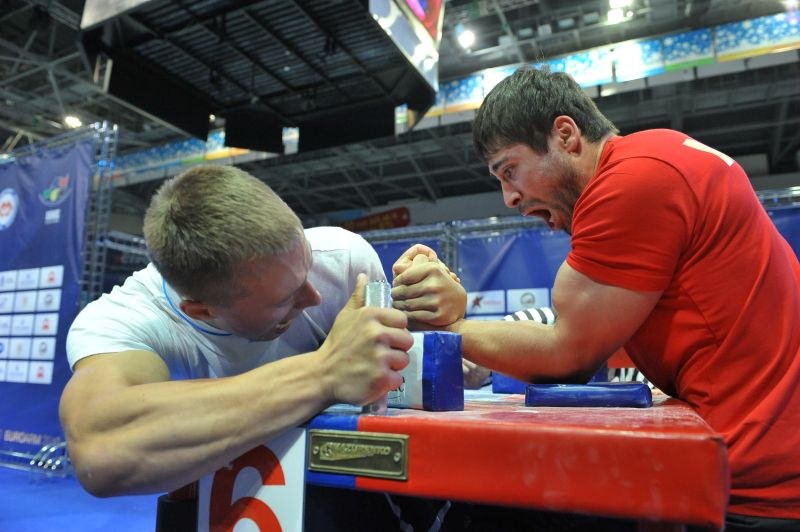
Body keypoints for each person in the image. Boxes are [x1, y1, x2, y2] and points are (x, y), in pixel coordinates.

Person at [391, 65, 800, 529]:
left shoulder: (634, 180)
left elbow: (568, 355)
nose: (509, 198)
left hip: (758, 482)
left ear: (565, 135)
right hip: (763, 457)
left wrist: (452, 325)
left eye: (510, 170)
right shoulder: (658, 155)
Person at [59, 164, 460, 502]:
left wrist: (444, 318)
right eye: (286, 298)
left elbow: (420, 379)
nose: (314, 296)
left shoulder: (341, 259)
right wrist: (323, 372)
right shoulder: (126, 320)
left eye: (307, 267)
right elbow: (101, 450)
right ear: (202, 310)